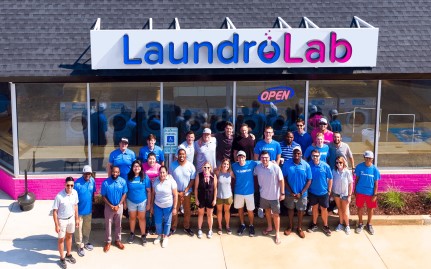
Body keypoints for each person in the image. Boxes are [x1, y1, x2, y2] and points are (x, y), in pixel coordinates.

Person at [254, 151, 285, 245]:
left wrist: (282, 193)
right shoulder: (258, 167)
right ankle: (269, 227)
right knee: (267, 212)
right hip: (264, 195)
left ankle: (277, 233)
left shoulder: (275, 167)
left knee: (275, 215)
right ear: (260, 159)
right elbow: (254, 175)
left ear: (269, 158)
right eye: (263, 158)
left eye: (266, 157)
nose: (264, 159)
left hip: (274, 196)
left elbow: (281, 180)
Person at [282, 147, 312, 239]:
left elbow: (309, 180)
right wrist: (290, 191)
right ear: (292, 154)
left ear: (301, 154)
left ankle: (299, 228)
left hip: (302, 194)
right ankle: (290, 226)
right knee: (290, 209)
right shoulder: (287, 164)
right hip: (289, 193)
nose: (296, 155)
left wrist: (301, 193)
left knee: (301, 210)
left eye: (298, 153)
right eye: (295, 153)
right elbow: (284, 178)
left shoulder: (306, 165)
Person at [169, 148, 196, 237]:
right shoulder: (172, 165)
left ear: (186, 155)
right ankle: (173, 228)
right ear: (177, 155)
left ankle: (186, 227)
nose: (181, 156)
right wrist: (176, 192)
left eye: (183, 154)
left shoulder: (191, 166)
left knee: (187, 211)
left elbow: (192, 180)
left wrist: (186, 190)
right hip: (175, 193)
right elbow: (170, 179)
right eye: (180, 154)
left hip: (187, 193)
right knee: (174, 211)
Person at [52, 177, 78, 269]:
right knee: (61, 239)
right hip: (61, 220)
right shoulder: (59, 196)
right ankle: (62, 258)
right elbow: (54, 211)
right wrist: (56, 225)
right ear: (65, 185)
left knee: (69, 236)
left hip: (71, 219)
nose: (70, 187)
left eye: (72, 185)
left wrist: (77, 219)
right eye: (68, 185)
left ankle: (68, 254)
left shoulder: (75, 193)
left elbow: (75, 206)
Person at [307, 150, 333, 236]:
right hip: (312, 192)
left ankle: (325, 226)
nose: (315, 157)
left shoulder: (325, 166)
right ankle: (314, 224)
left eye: (317, 156)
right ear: (311, 156)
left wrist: (329, 190)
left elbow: (330, 178)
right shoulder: (308, 165)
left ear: (320, 156)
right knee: (314, 208)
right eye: (313, 156)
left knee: (324, 209)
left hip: (323, 192)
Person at [231, 150, 258, 236]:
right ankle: (242, 225)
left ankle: (251, 225)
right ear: (237, 158)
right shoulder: (234, 166)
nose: (241, 158)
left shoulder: (251, 163)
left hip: (249, 192)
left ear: (245, 158)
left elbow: (262, 162)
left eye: (242, 157)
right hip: (238, 192)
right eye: (239, 157)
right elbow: (224, 168)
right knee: (240, 209)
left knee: (250, 210)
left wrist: (273, 162)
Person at [101, 166, 127, 252]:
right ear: (111, 172)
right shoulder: (105, 183)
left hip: (119, 207)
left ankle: (117, 240)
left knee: (118, 224)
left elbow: (124, 194)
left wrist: (119, 205)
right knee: (108, 224)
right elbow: (103, 196)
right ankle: (108, 241)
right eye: (113, 172)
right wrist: (111, 205)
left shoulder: (122, 182)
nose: (115, 174)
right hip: (109, 207)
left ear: (119, 173)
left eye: (117, 172)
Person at [151, 166, 178, 248]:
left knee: (167, 222)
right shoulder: (155, 181)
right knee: (158, 222)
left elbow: (175, 195)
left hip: (168, 206)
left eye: (164, 172)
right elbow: (153, 194)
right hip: (157, 205)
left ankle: (165, 237)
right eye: (161, 172)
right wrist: (152, 206)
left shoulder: (171, 181)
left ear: (167, 173)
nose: (162, 174)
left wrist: (174, 207)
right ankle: (159, 235)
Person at [126, 160, 151, 245]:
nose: (136, 168)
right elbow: (125, 191)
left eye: (138, 166)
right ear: (132, 167)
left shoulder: (145, 177)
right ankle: (132, 234)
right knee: (132, 218)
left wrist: (148, 203)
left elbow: (149, 191)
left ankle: (143, 235)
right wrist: (125, 203)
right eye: (135, 166)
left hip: (142, 202)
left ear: (141, 167)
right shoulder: (128, 177)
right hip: (131, 201)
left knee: (142, 218)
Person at [355, 150, 380, 235]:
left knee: (370, 209)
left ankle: (369, 224)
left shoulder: (375, 170)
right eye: (366, 158)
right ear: (364, 157)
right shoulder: (359, 167)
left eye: (370, 158)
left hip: (370, 193)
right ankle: (360, 223)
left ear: (372, 159)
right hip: (360, 192)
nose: (368, 159)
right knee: (360, 208)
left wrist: (375, 194)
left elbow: (376, 184)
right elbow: (356, 179)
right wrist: (355, 190)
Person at [73, 166, 96, 257]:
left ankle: (85, 242)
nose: (87, 175)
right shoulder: (77, 183)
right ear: (83, 174)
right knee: (78, 229)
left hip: (88, 210)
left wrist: (93, 204)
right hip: (79, 211)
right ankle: (79, 245)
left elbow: (93, 193)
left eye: (89, 173)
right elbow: (73, 199)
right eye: (86, 173)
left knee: (87, 227)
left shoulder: (92, 181)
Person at [194, 161, 218, 239]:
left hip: (210, 198)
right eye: (205, 167)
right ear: (202, 168)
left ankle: (210, 230)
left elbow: (215, 188)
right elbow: (196, 188)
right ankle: (199, 229)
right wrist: (196, 199)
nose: (206, 169)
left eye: (208, 167)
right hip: (201, 198)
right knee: (200, 214)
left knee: (209, 214)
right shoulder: (199, 176)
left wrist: (214, 199)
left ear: (210, 168)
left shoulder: (213, 176)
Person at [332, 156, 354, 235]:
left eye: (340, 162)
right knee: (339, 208)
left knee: (345, 210)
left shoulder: (347, 172)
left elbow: (351, 184)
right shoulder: (334, 171)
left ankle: (347, 226)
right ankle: (341, 224)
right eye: (337, 162)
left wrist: (349, 195)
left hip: (345, 194)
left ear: (343, 163)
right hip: (336, 193)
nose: (338, 164)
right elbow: (331, 181)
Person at [142, 152, 161, 234]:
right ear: (147, 159)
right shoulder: (143, 166)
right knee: (147, 208)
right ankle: (147, 226)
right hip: (146, 191)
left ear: (155, 159)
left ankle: (153, 226)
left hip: (156, 191)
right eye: (150, 159)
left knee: (154, 208)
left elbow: (163, 176)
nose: (151, 160)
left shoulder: (159, 166)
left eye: (153, 159)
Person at [215, 158, 234, 235]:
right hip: (219, 195)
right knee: (219, 211)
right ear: (222, 164)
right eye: (224, 163)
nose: (226, 165)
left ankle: (227, 226)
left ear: (229, 165)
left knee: (227, 211)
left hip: (228, 196)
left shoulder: (230, 173)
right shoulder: (218, 172)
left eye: (227, 164)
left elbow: (237, 178)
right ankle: (219, 226)